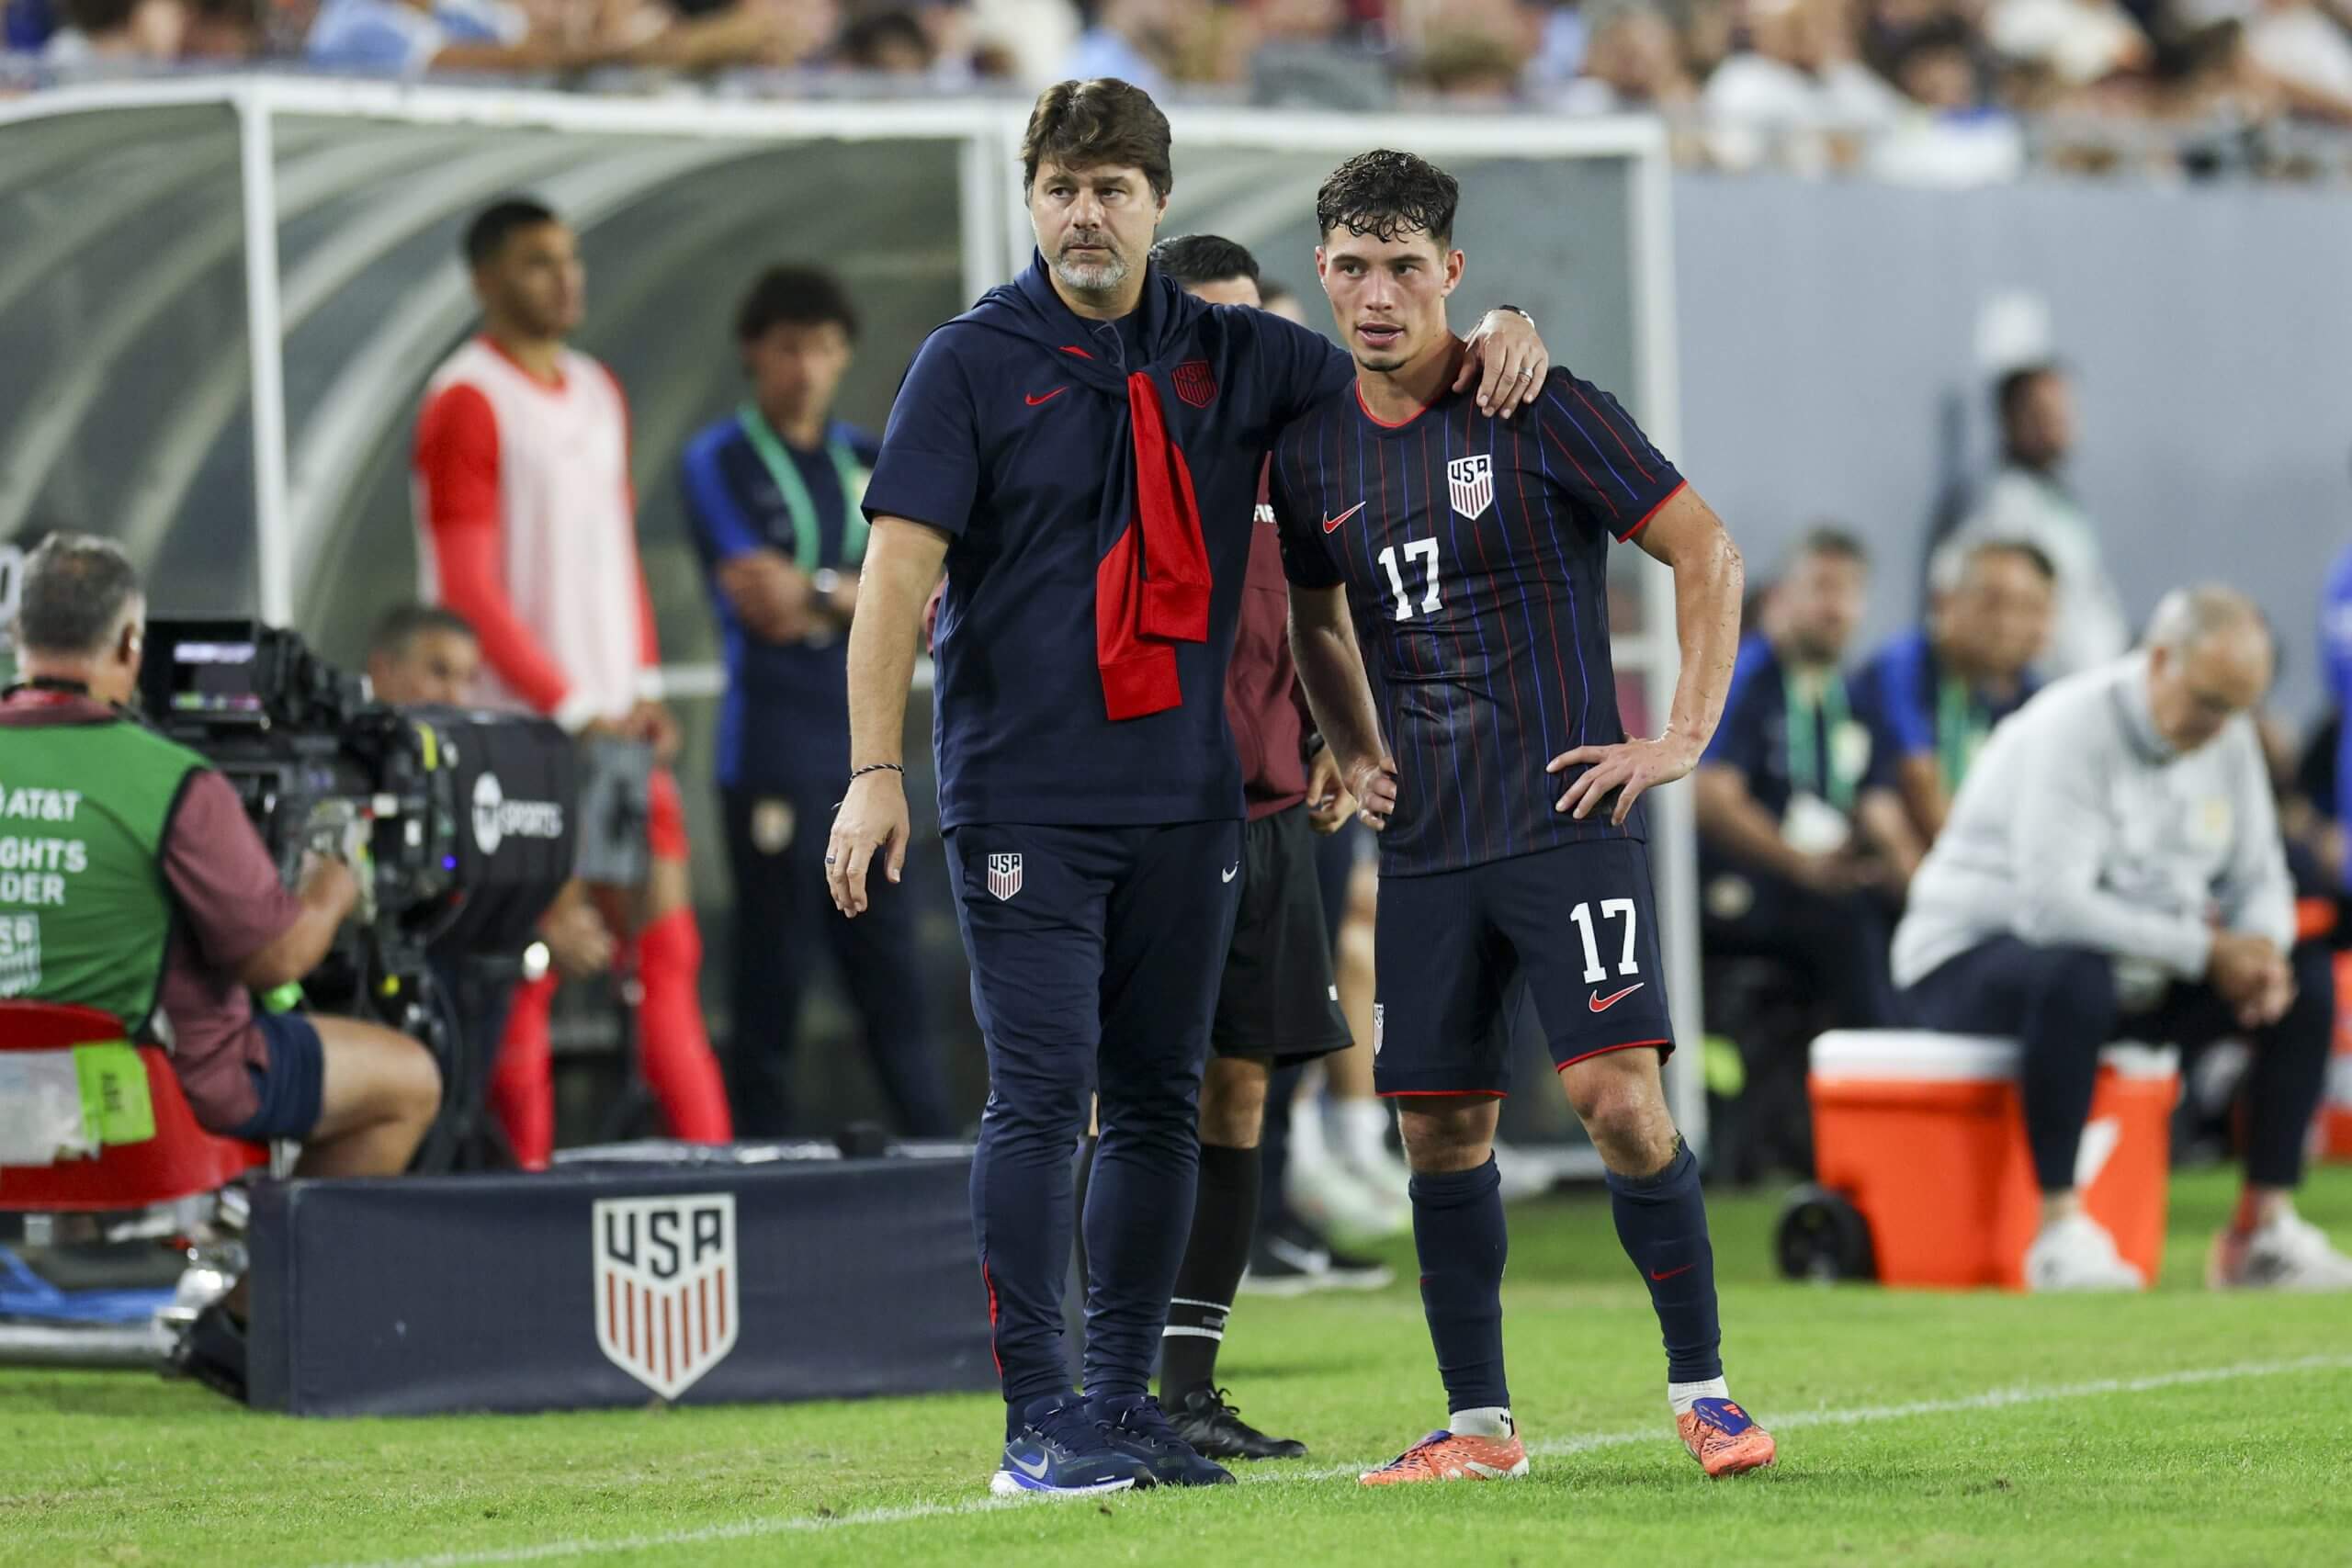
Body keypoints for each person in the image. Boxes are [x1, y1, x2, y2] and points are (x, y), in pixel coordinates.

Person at [824, 78, 1551, 1498]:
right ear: (1029, 201)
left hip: (1190, 795)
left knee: (1159, 1100)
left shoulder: (1240, 355)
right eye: (1060, 187)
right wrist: (871, 773)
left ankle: (1118, 1399)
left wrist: (1502, 326)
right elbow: (893, 583)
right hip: (1022, 795)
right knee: (1042, 1098)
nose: (1084, 212)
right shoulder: (969, 362)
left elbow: (1402, 366)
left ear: (1161, 202)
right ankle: (1039, 1420)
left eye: (1111, 186)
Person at [1271, 149, 1774, 1485]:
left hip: (1563, 814)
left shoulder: (1535, 400)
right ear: (1324, 274)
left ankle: (1707, 1391)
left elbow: (1706, 549)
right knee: (1438, 1129)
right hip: (1428, 839)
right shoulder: (1311, 441)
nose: (1380, 296)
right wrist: (1348, 739)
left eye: (1406, 268)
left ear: (1453, 272)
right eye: (1356, 269)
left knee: (1616, 1097)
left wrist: (1682, 736)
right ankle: (1480, 1427)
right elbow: (1312, 606)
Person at [0, 535, 443, 1398]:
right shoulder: (172, 783)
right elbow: (274, 953)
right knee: (410, 1078)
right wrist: (329, 885)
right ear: (131, 646)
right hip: (141, 1117)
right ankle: (252, 1321)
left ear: (17, 630)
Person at [1895, 586, 2352, 1292]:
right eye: (2209, 702)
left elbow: (2261, 875)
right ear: (2160, 659)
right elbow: (2053, 909)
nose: (2221, 725)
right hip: (1964, 959)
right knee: (2074, 973)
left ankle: (2260, 1232)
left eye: (2239, 708)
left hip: (2128, 965)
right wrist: (2207, 953)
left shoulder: (2226, 734)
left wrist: (2260, 949)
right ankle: (2058, 1232)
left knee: (2305, 980)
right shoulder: (2068, 727)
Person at [1102, 231, 1359, 1461]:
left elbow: (1321, 603)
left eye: (1255, 319)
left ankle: (1190, 1382)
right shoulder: (1116, 442)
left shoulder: (1289, 452)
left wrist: (1329, 731)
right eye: (1217, 321)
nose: (1240, 345)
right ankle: (1099, 1373)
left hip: (1264, 816)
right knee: (1127, 1096)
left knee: (1242, 1082)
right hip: (1146, 818)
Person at [412, 197, 731, 1169]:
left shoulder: (596, 390)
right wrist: (568, 707)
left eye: (571, 260)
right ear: (485, 280)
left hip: (608, 736)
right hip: (521, 741)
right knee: (530, 971)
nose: (566, 278)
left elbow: (611, 557)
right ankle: (528, 1200)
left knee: (666, 958)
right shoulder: (465, 397)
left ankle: (720, 1183)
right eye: (538, 262)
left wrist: (629, 690)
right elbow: (467, 585)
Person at [679, 265, 951, 1141]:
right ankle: (766, 1170)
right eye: (790, 346)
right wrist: (872, 590)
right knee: (773, 970)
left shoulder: (867, 456)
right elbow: (757, 594)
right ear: (756, 353)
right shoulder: (718, 456)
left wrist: (825, 590)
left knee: (890, 965)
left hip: (865, 745)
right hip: (769, 745)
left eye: (825, 348)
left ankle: (938, 1162)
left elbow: (931, 589)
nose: (807, 367)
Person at [364, 604, 615, 1168]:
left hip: (468, 984)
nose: (454, 695)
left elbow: (532, 848)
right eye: (438, 671)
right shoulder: (344, 766)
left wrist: (553, 926)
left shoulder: (474, 768)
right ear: (382, 671)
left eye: (465, 678)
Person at [1694, 527, 1911, 1033]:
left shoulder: (1850, 694)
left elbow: (1878, 808)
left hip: (1819, 881)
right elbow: (1709, 798)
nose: (1836, 609)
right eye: (1821, 588)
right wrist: (1802, 865)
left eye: (1850, 592)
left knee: (1891, 911)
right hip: (1742, 884)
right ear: (1779, 597)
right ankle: (1883, 1064)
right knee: (1848, 917)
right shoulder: (1744, 676)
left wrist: (1921, 890)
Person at [1850, 536, 2054, 844]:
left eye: (2028, 608)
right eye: (1992, 603)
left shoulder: (2028, 692)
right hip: (1869, 856)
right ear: (1943, 601)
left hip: (1962, 861)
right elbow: (1919, 781)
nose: (2008, 625)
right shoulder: (1904, 665)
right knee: (1882, 814)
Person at [1944, 363, 2129, 678]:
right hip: (2043, 686)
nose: (2060, 423)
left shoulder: (2061, 499)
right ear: (2011, 420)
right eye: (2044, 413)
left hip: (2090, 678)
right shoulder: (2001, 504)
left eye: (2064, 412)